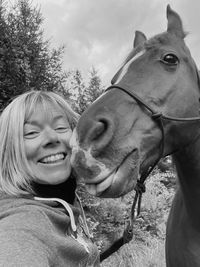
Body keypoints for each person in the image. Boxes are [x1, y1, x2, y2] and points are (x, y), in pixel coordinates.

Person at [0, 90, 100, 266]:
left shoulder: (61, 202)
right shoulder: (22, 230)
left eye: (61, 127)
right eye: (31, 132)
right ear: (9, 151)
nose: (52, 138)